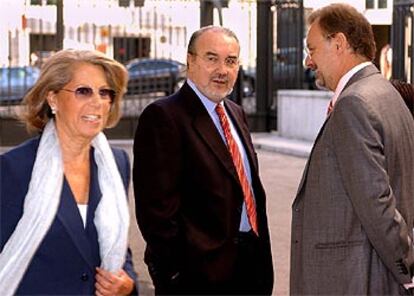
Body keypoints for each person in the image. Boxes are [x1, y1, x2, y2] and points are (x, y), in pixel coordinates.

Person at [133, 25, 274, 295]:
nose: (222, 69)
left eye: (230, 61)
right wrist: (175, 273)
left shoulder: (235, 113)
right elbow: (155, 212)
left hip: (249, 267)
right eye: (212, 58)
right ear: (190, 61)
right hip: (197, 276)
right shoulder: (164, 117)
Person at [290, 4, 414, 295]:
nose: (309, 61)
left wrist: (407, 270)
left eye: (312, 49)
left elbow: (377, 203)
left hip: (355, 279)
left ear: (339, 43)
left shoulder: (354, 103)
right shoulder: (386, 93)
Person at [0, 49, 138, 295]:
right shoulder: (14, 169)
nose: (97, 101)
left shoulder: (117, 163)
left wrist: (127, 285)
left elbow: (118, 243)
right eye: (83, 91)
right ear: (52, 99)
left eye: (105, 92)